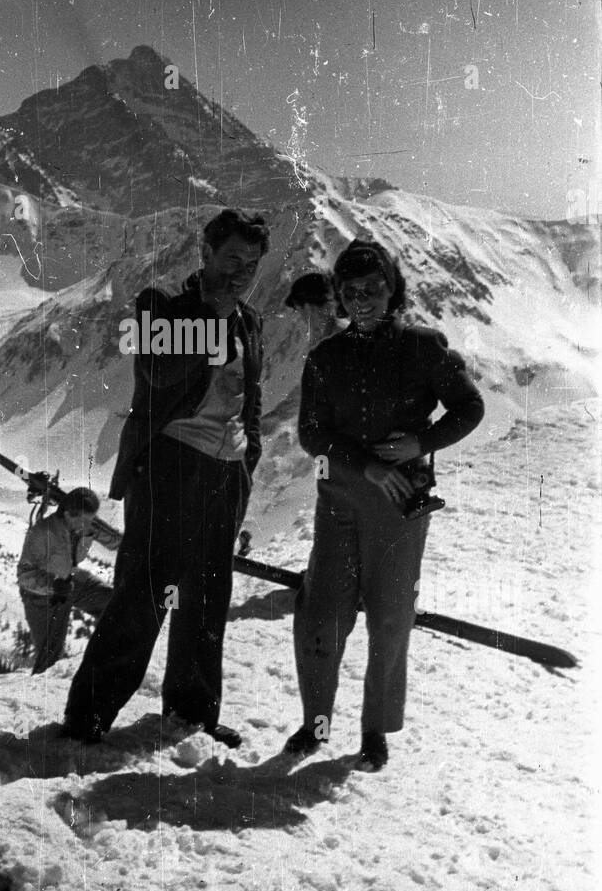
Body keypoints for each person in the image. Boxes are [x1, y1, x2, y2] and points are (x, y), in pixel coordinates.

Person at [61, 208, 270, 748]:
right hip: (172, 466)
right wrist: (209, 316)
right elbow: (157, 370)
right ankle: (88, 717)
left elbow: (251, 403)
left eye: (250, 265)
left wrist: (247, 464)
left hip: (226, 472)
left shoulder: (251, 321)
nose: (240, 273)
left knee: (207, 596)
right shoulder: (162, 306)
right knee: (146, 592)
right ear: (205, 255)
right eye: (231, 260)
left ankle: (193, 712)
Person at [285, 238, 484, 770]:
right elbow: (311, 433)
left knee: (390, 620)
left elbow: (470, 406)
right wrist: (366, 464)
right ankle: (315, 722)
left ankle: (375, 731)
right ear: (341, 298)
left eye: (373, 289)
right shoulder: (326, 357)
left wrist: (423, 444)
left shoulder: (422, 346)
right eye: (351, 292)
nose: (363, 300)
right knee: (320, 614)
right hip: (340, 503)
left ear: (392, 288)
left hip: (400, 508)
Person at [17, 486, 101, 673]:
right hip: (40, 597)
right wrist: (52, 584)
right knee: (49, 659)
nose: (88, 525)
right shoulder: (42, 533)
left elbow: (76, 559)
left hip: (69, 582)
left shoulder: (76, 530)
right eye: (85, 520)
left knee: (112, 600)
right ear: (69, 514)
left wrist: (87, 536)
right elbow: (24, 575)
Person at [285, 271, 341, 347]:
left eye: (297, 309)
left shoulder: (333, 341)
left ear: (307, 307)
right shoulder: (327, 333)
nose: (299, 316)